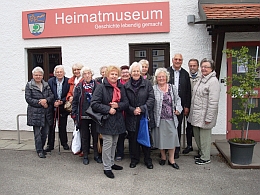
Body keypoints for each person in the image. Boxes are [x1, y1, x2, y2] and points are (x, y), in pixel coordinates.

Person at [91, 65, 129, 179]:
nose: (114, 76)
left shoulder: (121, 87)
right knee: (107, 144)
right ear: (107, 75)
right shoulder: (101, 87)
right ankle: (107, 167)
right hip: (106, 119)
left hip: (117, 119)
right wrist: (108, 109)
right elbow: (94, 103)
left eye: (116, 74)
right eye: (112, 74)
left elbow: (126, 102)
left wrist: (118, 105)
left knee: (114, 143)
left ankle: (111, 163)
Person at [188, 58, 220, 165]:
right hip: (197, 113)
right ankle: (202, 153)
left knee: (205, 137)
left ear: (212, 68)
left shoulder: (213, 81)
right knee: (197, 136)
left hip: (205, 115)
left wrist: (209, 117)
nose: (204, 69)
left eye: (206, 67)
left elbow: (213, 102)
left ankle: (206, 157)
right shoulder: (201, 79)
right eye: (202, 66)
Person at [125, 62, 155, 169]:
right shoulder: (126, 86)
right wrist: (133, 110)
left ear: (141, 72)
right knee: (133, 140)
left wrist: (142, 109)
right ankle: (134, 159)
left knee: (145, 138)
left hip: (144, 116)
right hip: (132, 117)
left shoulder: (147, 84)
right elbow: (124, 102)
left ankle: (148, 159)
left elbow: (151, 99)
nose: (136, 73)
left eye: (138, 71)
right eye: (134, 71)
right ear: (131, 73)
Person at [152, 68, 182, 169]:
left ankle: (172, 159)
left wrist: (178, 109)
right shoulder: (153, 88)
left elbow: (178, 99)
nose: (161, 78)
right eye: (159, 77)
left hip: (171, 118)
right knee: (161, 139)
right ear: (156, 78)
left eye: (163, 76)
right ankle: (163, 157)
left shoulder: (172, 88)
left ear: (166, 77)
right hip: (159, 118)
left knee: (172, 138)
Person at [71, 67, 102, 165]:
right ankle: (85, 155)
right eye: (85, 74)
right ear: (82, 75)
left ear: (92, 74)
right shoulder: (79, 87)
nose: (87, 75)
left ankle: (96, 155)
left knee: (95, 135)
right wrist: (74, 114)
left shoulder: (98, 86)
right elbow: (75, 101)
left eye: (89, 73)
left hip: (95, 115)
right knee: (84, 136)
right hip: (82, 115)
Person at [25, 67, 54, 158]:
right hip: (35, 113)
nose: (38, 76)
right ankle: (39, 150)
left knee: (45, 132)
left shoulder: (46, 84)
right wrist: (40, 103)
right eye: (36, 75)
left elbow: (51, 96)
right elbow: (28, 99)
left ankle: (41, 147)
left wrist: (46, 100)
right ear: (33, 75)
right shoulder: (29, 85)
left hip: (46, 112)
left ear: (42, 76)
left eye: (40, 75)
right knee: (37, 133)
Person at [167, 53, 191, 159]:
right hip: (167, 105)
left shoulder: (185, 74)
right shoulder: (166, 71)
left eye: (180, 60)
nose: (177, 61)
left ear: (182, 61)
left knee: (177, 127)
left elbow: (188, 92)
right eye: (176, 59)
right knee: (166, 128)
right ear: (172, 60)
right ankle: (166, 149)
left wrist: (186, 106)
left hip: (180, 106)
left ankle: (176, 150)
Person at [45, 65, 70, 152]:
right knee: (51, 126)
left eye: (61, 72)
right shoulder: (50, 81)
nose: (59, 73)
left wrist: (62, 101)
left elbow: (68, 93)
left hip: (63, 107)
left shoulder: (68, 81)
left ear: (64, 73)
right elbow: (48, 93)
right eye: (57, 72)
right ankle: (50, 145)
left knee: (62, 126)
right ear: (55, 73)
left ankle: (64, 143)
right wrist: (54, 101)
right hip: (52, 106)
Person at [182, 59, 202, 154]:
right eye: (191, 66)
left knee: (198, 128)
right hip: (189, 105)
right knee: (189, 127)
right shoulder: (186, 76)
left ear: (198, 66)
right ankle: (189, 145)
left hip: (199, 106)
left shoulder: (202, 77)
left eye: (194, 66)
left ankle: (200, 147)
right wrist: (186, 106)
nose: (192, 67)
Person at [115, 65, 130, 161]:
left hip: (130, 111)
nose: (125, 74)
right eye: (123, 72)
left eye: (126, 72)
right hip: (120, 112)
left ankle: (133, 152)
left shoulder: (133, 82)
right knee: (120, 133)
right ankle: (119, 152)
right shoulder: (117, 83)